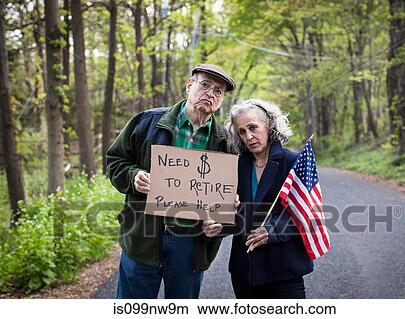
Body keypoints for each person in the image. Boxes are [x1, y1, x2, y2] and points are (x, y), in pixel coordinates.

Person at [106, 64, 235, 299]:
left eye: (218, 91)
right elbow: (115, 161)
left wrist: (220, 223)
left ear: (222, 99)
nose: (210, 93)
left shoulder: (226, 141)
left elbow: (232, 199)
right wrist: (133, 176)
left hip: (191, 244)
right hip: (143, 236)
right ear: (189, 85)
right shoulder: (147, 122)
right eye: (205, 85)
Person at [226, 99, 314, 298]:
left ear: (269, 125)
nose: (248, 137)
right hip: (244, 271)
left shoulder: (293, 162)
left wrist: (271, 230)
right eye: (241, 131)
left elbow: (305, 211)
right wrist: (218, 225)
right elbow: (233, 215)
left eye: (253, 128)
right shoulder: (237, 166)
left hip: (283, 271)